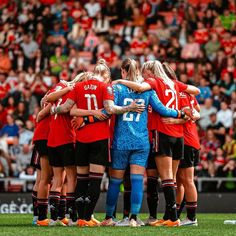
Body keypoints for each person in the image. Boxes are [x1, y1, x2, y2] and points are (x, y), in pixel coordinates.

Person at [52, 59, 144, 226]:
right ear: (107, 75)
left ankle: (79, 218)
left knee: (81, 179)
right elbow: (110, 110)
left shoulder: (79, 86)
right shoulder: (105, 87)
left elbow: (67, 109)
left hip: (81, 139)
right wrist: (128, 108)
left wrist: (53, 110)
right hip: (100, 139)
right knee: (95, 180)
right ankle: (87, 217)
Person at [100, 59, 187, 227]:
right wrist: (180, 113)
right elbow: (163, 110)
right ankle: (133, 218)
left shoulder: (117, 88)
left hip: (121, 142)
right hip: (141, 142)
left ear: (123, 72)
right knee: (137, 180)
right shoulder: (148, 91)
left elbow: (108, 111)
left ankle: (109, 218)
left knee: (116, 182)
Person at [162, 92, 200, 226]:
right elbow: (197, 111)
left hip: (187, 141)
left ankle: (191, 218)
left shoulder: (180, 94)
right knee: (180, 181)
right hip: (192, 140)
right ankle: (175, 215)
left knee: (186, 180)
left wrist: (174, 120)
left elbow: (189, 114)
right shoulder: (187, 94)